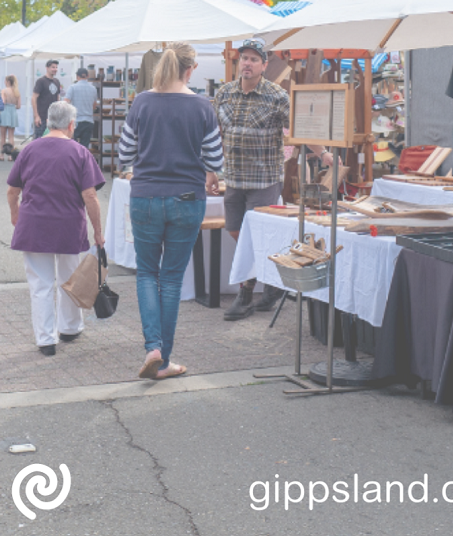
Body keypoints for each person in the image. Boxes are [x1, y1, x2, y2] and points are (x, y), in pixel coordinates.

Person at [118, 42, 223, 381]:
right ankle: (163, 361)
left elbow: (124, 155)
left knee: (147, 273)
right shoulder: (202, 106)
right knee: (172, 278)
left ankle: (153, 348)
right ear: (191, 69)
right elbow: (215, 159)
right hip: (188, 198)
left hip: (146, 196)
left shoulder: (142, 102)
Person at [213, 39, 338, 321]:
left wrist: (324, 154)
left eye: (253, 59)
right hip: (233, 178)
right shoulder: (224, 93)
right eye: (244, 58)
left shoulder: (277, 96)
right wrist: (210, 170)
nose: (247, 63)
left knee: (253, 236)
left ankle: (246, 294)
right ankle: (272, 284)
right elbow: (214, 132)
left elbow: (300, 129)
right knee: (235, 231)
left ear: (264, 65)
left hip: (264, 179)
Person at [6, 101, 105, 356]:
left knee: (40, 284)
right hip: (68, 226)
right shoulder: (80, 152)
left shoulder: (29, 150)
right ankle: (70, 328)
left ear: (49, 121)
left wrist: (15, 214)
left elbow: (12, 191)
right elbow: (90, 196)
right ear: (71, 124)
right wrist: (98, 231)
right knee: (69, 278)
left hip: (34, 225)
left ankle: (45, 340)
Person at [65, 67, 98, 148]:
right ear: (87, 76)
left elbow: (65, 103)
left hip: (75, 121)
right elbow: (94, 106)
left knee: (73, 146)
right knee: (84, 147)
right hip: (89, 121)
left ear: (77, 76)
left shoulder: (72, 87)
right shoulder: (93, 89)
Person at [32, 59, 60, 139]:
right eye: (53, 67)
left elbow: (58, 98)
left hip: (53, 117)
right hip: (42, 117)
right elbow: (34, 98)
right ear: (47, 68)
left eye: (56, 67)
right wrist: (36, 116)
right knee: (39, 140)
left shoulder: (57, 81)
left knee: (52, 140)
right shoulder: (41, 81)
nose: (55, 69)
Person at [1, 75, 21, 161]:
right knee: (11, 136)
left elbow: (3, 102)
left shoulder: (4, 91)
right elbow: (19, 106)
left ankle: (1, 155)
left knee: (2, 136)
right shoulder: (17, 92)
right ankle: (10, 156)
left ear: (8, 82)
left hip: (5, 112)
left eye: (5, 81)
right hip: (13, 112)